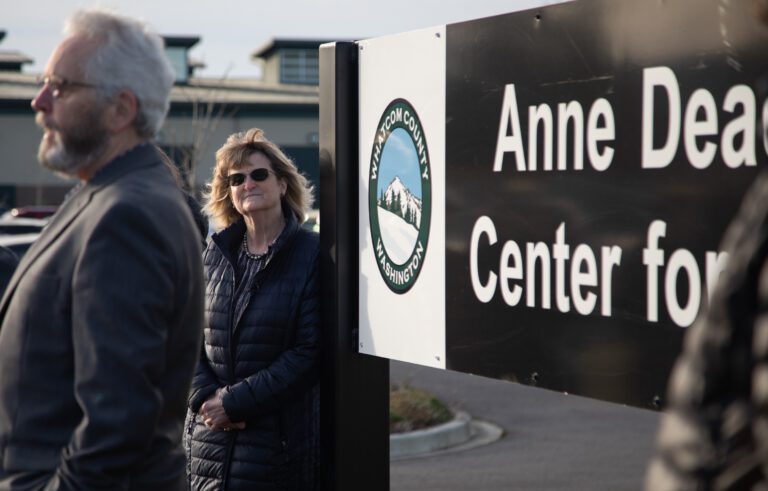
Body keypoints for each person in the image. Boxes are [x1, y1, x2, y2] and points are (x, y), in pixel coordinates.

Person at [0, 9, 205, 490]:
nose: (39, 100)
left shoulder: (126, 215)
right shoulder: (110, 194)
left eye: (60, 85)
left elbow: (118, 424)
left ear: (121, 110)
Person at [185, 128, 320, 491]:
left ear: (281, 184)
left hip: (276, 452)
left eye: (259, 174)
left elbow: (309, 352)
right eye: (237, 179)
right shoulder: (213, 255)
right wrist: (204, 400)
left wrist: (234, 403)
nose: (248, 183)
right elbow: (185, 339)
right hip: (208, 448)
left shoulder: (311, 255)